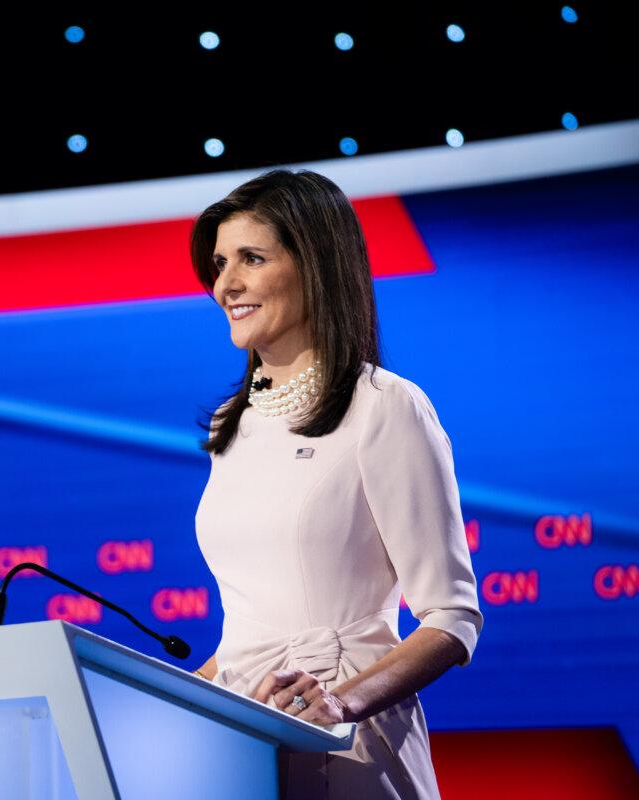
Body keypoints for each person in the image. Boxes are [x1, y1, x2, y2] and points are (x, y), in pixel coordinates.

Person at [189, 170, 481, 799]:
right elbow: (250, 627)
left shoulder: (385, 407)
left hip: (350, 745)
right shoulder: (230, 424)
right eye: (218, 264)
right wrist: (181, 694)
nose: (225, 285)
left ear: (314, 264)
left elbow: (452, 619)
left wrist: (340, 704)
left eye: (251, 259)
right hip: (239, 741)